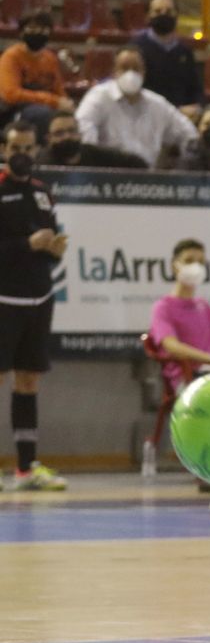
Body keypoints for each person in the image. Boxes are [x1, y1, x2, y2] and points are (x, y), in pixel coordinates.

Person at [0, 121, 68, 490]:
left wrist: (54, 249)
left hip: (39, 296)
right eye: (15, 148)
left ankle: (27, 468)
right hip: (3, 298)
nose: (22, 155)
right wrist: (28, 244)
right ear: (4, 149)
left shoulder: (44, 192)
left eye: (28, 149)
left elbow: (49, 249)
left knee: (28, 380)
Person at [74, 49, 196, 168]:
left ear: (144, 72)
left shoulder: (158, 104)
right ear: (115, 71)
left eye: (136, 68)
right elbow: (85, 136)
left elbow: (188, 133)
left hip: (147, 179)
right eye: (125, 68)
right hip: (109, 176)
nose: (131, 74)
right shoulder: (98, 97)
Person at [149, 238, 210, 394]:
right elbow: (171, 346)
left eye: (201, 262)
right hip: (186, 380)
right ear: (175, 266)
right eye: (189, 261)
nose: (196, 267)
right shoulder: (162, 307)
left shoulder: (203, 306)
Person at [0, 11, 72, 137]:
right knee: (43, 114)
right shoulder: (11, 56)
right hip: (14, 109)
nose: (38, 33)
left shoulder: (50, 58)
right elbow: (11, 94)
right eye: (33, 28)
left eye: (43, 29)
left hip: (43, 105)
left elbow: (58, 89)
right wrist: (53, 101)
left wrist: (66, 104)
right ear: (22, 32)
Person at [134, 0, 204, 114]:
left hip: (181, 117)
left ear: (176, 15)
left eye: (169, 11)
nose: (164, 14)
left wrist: (196, 108)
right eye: (158, 11)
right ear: (148, 16)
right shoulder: (136, 48)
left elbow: (195, 88)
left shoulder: (185, 51)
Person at [42, 111, 147, 170]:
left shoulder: (94, 154)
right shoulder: (42, 164)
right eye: (59, 133)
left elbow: (136, 163)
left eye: (72, 131)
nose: (67, 137)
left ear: (80, 134)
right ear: (49, 139)